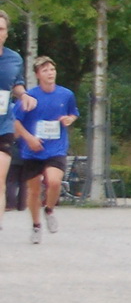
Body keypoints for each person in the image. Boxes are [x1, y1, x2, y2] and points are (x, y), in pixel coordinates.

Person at [13, 55, 77, 244]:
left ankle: (49, 209)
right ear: (37, 75)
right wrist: (29, 138)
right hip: (33, 150)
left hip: (56, 147)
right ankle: (36, 225)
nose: (50, 73)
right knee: (33, 191)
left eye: (52, 69)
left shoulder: (66, 94)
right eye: (45, 70)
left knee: (54, 181)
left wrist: (69, 120)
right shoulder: (30, 97)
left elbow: (73, 113)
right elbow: (15, 122)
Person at [0, 10, 33, 230]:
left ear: (7, 33)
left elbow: (17, 85)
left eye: (1, 29)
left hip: (3, 126)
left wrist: (24, 95)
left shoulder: (14, 59)